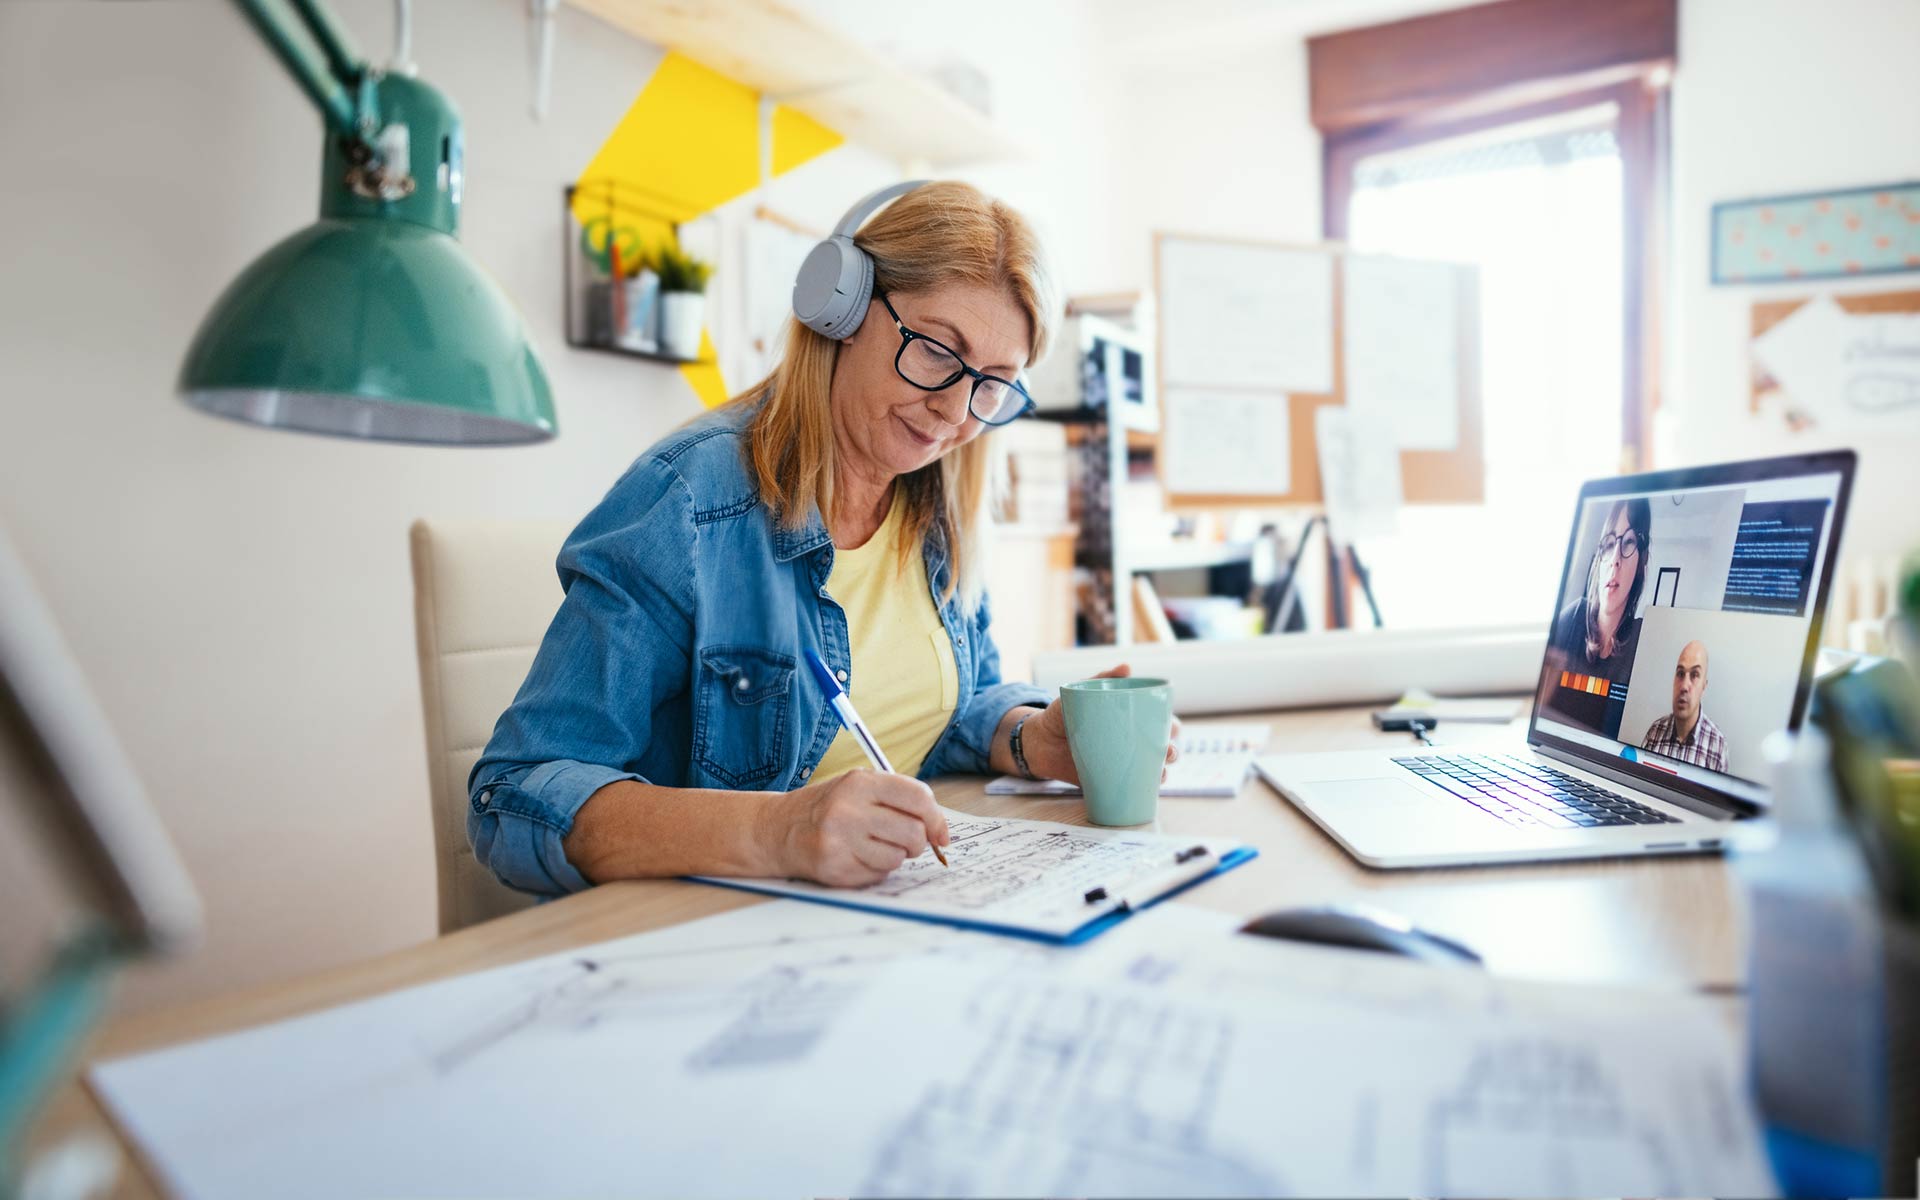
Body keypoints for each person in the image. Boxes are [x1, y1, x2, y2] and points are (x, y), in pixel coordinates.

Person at [468, 181, 1174, 897]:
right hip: (704, 931)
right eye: (936, 350)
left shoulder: (936, 501)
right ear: (839, 308)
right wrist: (776, 832)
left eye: (992, 383)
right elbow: (515, 793)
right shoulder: (687, 499)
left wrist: (1030, 738)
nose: (954, 412)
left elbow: (952, 704)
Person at [1548, 497, 1653, 689]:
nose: (1615, 559)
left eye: (1629, 542)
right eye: (1610, 544)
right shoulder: (1572, 618)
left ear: (1642, 560)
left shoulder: (1643, 644)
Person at [1641, 640, 1728, 772]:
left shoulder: (1717, 745)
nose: (1684, 686)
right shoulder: (1655, 731)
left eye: (1694, 675)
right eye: (1680, 674)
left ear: (1704, 685)